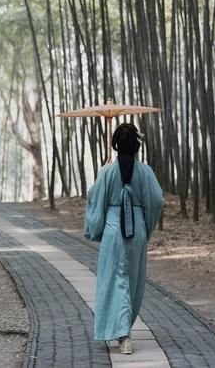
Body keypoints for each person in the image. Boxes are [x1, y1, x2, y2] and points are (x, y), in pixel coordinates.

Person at [84, 123, 165, 354]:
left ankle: (122, 335)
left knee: (113, 280)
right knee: (132, 281)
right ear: (137, 145)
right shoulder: (145, 172)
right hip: (136, 229)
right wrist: (145, 226)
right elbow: (157, 199)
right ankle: (124, 332)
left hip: (112, 228)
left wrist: (104, 175)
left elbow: (93, 196)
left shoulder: (107, 171)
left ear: (116, 144)